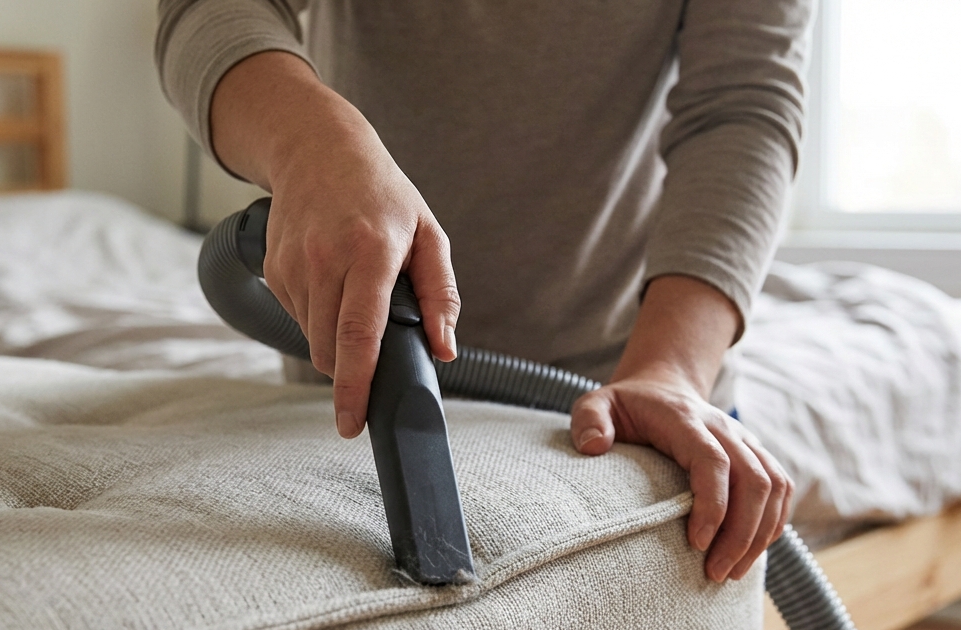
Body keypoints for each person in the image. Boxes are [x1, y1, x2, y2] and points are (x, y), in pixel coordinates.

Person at [156, 0, 812, 583]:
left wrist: (671, 369)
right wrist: (313, 145)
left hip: (629, 403)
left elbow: (741, 104)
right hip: (355, 389)